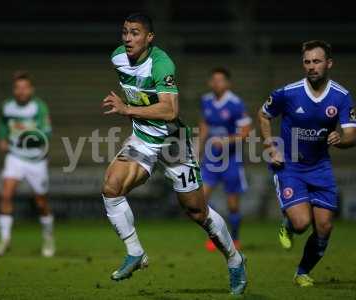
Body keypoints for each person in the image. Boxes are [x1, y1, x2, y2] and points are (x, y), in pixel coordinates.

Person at [101, 13, 247, 295]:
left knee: (197, 211)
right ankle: (135, 252)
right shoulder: (117, 57)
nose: (128, 38)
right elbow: (141, 96)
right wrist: (134, 114)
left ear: (149, 38)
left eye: (135, 33)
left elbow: (170, 110)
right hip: (143, 139)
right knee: (111, 187)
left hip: (174, 143)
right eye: (125, 32)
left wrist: (127, 110)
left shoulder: (162, 63)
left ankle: (234, 259)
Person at [258, 40, 356, 287]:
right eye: (307, 62)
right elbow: (263, 114)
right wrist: (271, 146)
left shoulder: (341, 96)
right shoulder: (288, 93)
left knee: (324, 226)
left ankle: (302, 271)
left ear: (329, 63)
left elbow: (351, 135)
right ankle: (289, 223)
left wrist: (341, 139)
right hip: (290, 166)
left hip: (320, 167)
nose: (312, 66)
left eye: (317, 61)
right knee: (302, 224)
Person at [0, 71, 55, 257]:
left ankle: (48, 237)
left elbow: (47, 132)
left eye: (24, 88)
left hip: (36, 159)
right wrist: (3, 138)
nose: (21, 91)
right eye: (17, 88)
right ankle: (4, 239)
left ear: (31, 90)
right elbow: (3, 124)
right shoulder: (7, 106)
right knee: (5, 194)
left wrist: (26, 132)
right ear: (14, 90)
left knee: (41, 203)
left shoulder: (38, 107)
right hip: (15, 157)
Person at [198, 68, 252, 251]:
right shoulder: (206, 101)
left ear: (227, 83)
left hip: (231, 161)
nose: (217, 83)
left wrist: (226, 140)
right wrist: (198, 148)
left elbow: (246, 133)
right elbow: (204, 125)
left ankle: (235, 239)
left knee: (233, 205)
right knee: (200, 199)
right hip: (211, 160)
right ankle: (216, 235)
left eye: (220, 80)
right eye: (214, 80)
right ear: (209, 82)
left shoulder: (236, 104)